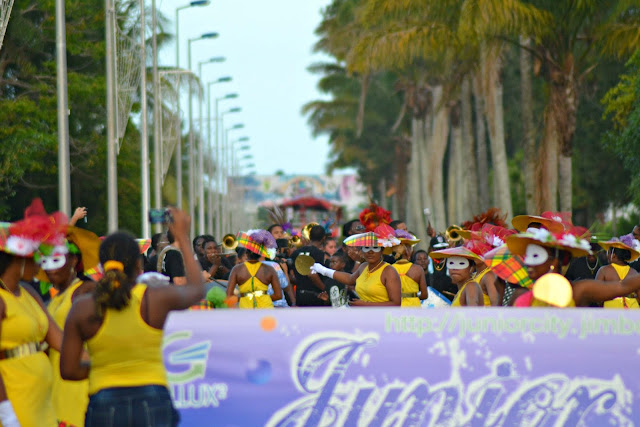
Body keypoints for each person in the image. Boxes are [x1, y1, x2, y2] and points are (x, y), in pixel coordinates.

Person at [60, 207, 203, 426]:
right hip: (154, 398)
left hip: (103, 402)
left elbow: (69, 370)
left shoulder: (82, 308)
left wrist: (106, 366)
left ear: (101, 265)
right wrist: (182, 237)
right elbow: (196, 291)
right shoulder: (154, 298)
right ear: (139, 264)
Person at [0, 198, 68, 427]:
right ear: (18, 259)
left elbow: (60, 340)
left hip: (41, 402)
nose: (41, 264)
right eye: (36, 257)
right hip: (14, 401)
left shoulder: (31, 294)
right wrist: (6, 411)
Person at [40, 226, 100, 427]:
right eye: (45, 261)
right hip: (56, 380)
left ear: (74, 261)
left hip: (78, 382)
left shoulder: (85, 290)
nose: (50, 268)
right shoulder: (56, 299)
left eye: (56, 260)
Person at [506, 228, 640, 307]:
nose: (528, 262)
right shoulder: (520, 294)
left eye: (535, 256)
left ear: (555, 261)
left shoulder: (578, 290)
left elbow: (622, 287)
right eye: (527, 256)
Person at [311, 229, 402, 306]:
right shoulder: (363, 267)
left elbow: (396, 303)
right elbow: (349, 279)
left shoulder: (389, 271)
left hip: (382, 320)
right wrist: (322, 270)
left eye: (375, 247)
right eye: (366, 247)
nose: (370, 251)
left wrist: (365, 305)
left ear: (382, 251)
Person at [226, 230, 282, 309]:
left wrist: (243, 298)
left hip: (245, 309)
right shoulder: (269, 270)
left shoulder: (237, 269)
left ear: (246, 253)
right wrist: (262, 297)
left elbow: (229, 295)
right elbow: (278, 295)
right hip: (266, 308)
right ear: (260, 254)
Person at [596, 235, 640, 308]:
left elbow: (597, 297)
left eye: (608, 252)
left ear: (613, 255)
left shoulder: (604, 271)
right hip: (632, 309)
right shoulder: (634, 272)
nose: (607, 255)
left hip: (612, 309)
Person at [386, 230, 428, 307]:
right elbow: (424, 295)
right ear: (408, 251)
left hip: (395, 308)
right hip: (414, 308)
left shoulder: (388, 269)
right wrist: (413, 297)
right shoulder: (418, 269)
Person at [291, 225, 328, 306]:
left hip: (299, 294)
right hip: (316, 295)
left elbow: (292, 275)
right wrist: (325, 289)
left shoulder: (295, 253)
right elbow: (312, 275)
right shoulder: (321, 255)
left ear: (310, 236)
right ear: (323, 238)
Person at [426, 235, 457, 301]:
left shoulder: (451, 261)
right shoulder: (426, 262)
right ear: (432, 249)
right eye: (438, 248)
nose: (441, 251)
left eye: (443, 248)